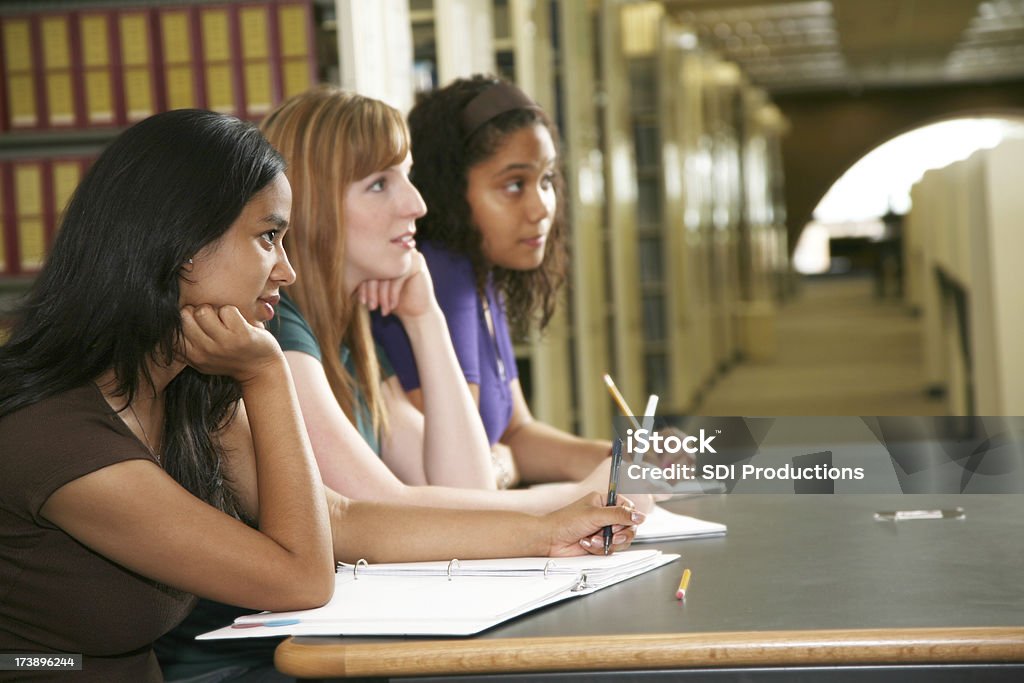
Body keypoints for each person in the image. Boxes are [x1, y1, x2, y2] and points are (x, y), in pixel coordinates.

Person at [0, 109, 640, 683]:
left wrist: (543, 533)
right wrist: (267, 375)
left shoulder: (186, 390)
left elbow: (341, 521)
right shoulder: (61, 438)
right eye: (266, 238)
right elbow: (300, 577)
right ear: (179, 247)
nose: (287, 270)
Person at [372, 75, 614, 487]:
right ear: (451, 192)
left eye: (547, 180)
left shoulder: (482, 274)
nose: (541, 208)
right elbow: (458, 476)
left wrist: (622, 459)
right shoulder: (443, 274)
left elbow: (515, 433)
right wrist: (504, 466)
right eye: (514, 185)